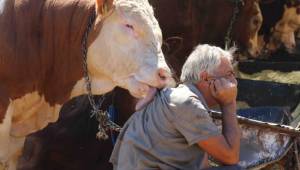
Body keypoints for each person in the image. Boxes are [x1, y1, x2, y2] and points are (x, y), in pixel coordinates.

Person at [110, 44, 242, 170]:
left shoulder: (178, 96)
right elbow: (230, 157)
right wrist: (229, 103)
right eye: (229, 75)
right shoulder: (187, 103)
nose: (234, 82)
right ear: (206, 78)